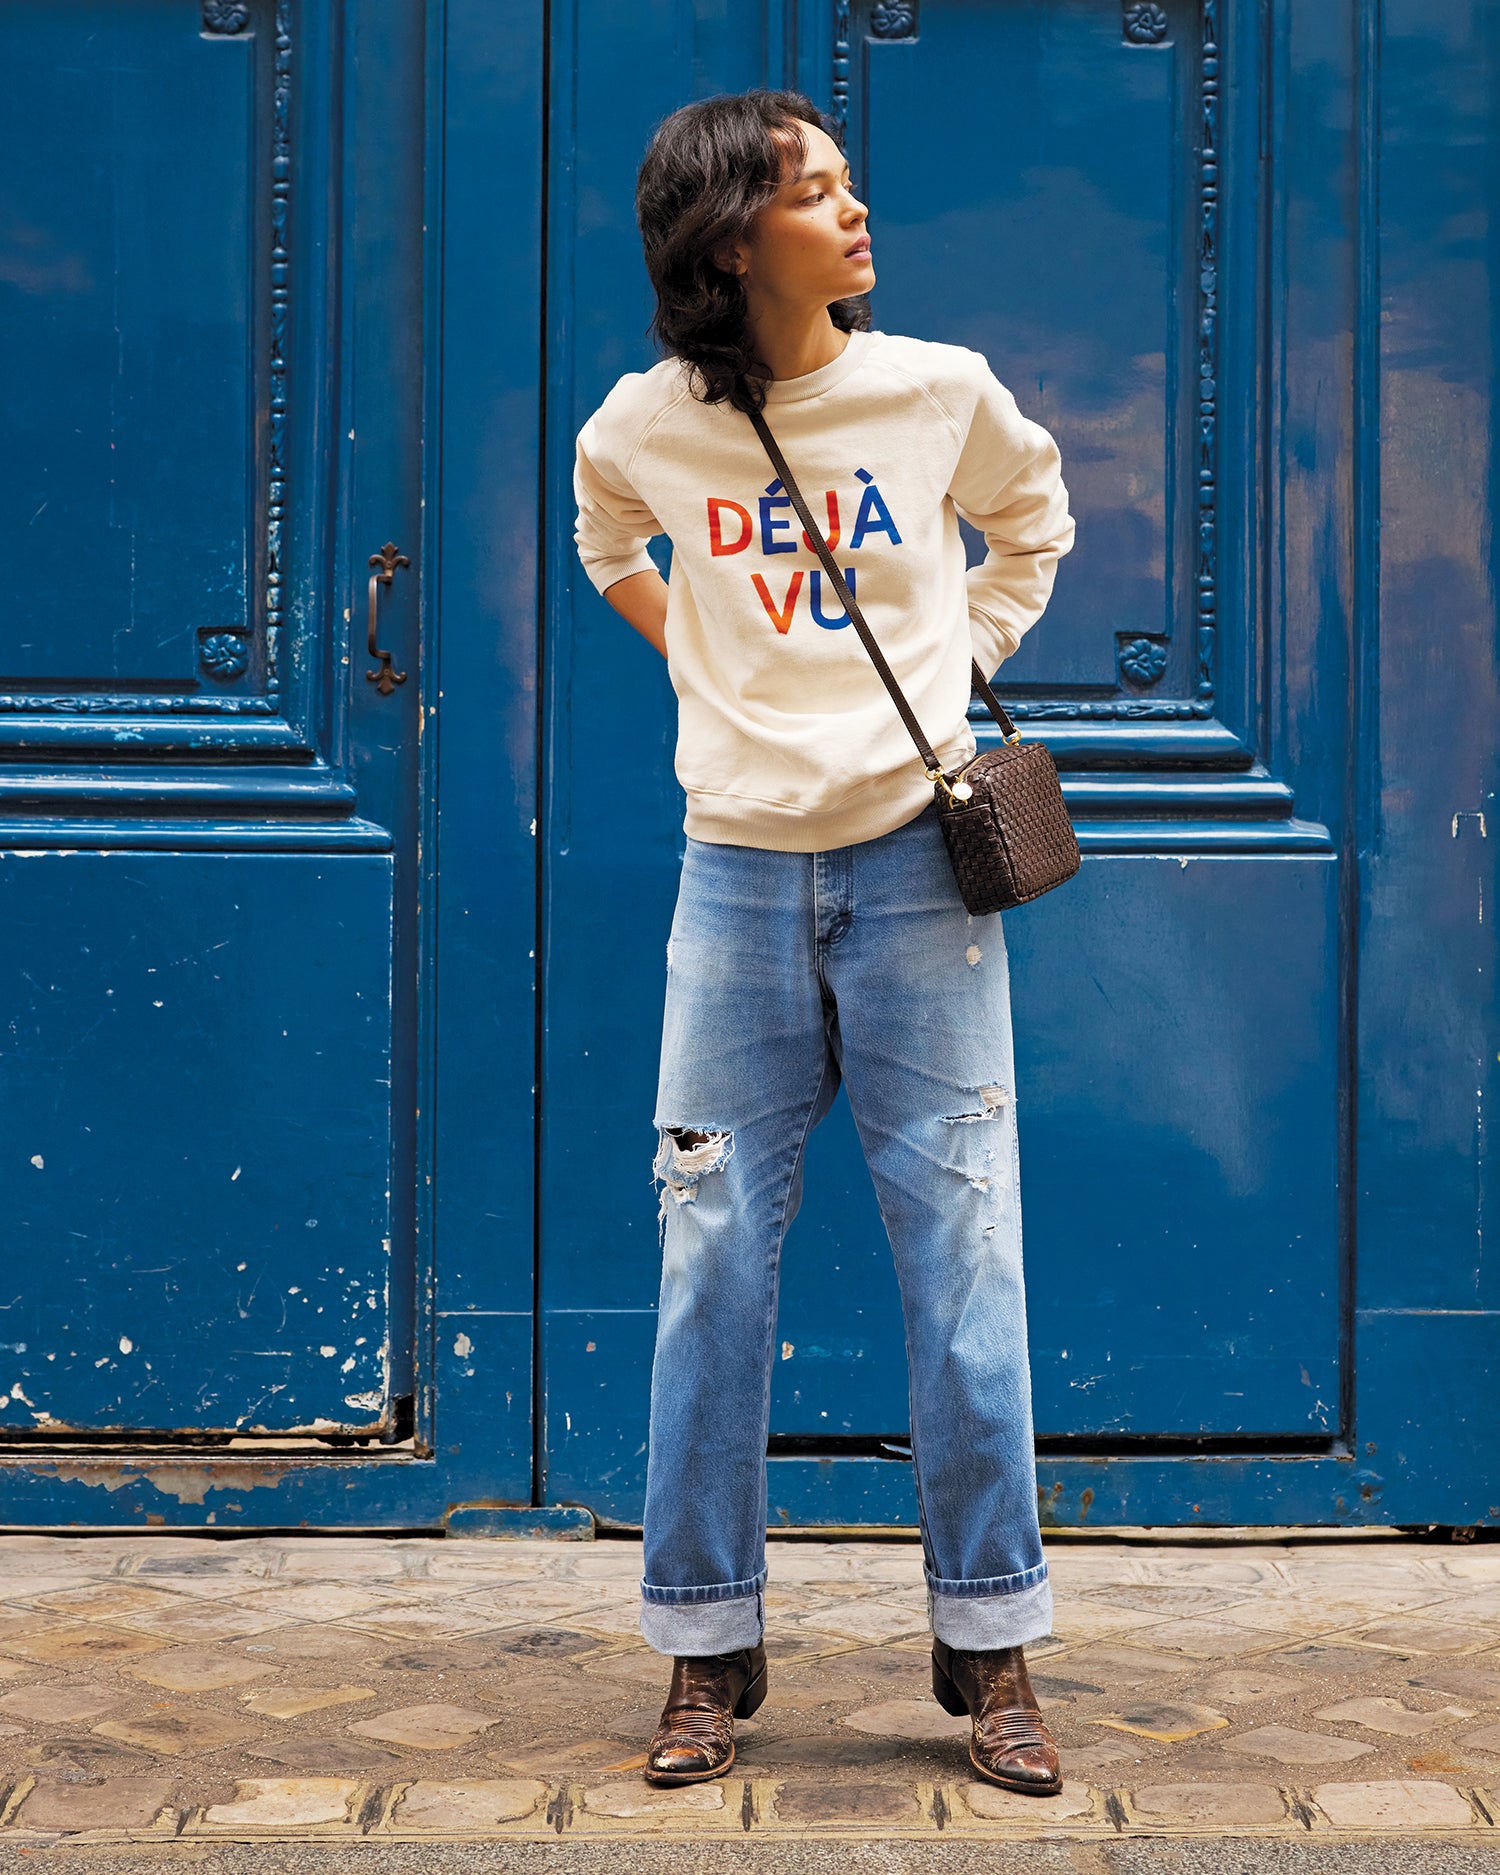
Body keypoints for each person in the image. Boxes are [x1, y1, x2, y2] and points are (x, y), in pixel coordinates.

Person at [572, 88, 1076, 1797]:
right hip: (733, 886)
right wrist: (701, 658)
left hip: (920, 883)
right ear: (732, 236)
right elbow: (604, 542)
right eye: (816, 192)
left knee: (967, 1258)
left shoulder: (935, 391)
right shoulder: (647, 424)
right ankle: (704, 1649)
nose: (856, 214)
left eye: (853, 184)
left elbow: (1034, 524)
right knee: (711, 1259)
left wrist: (953, 666)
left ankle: (993, 1639)